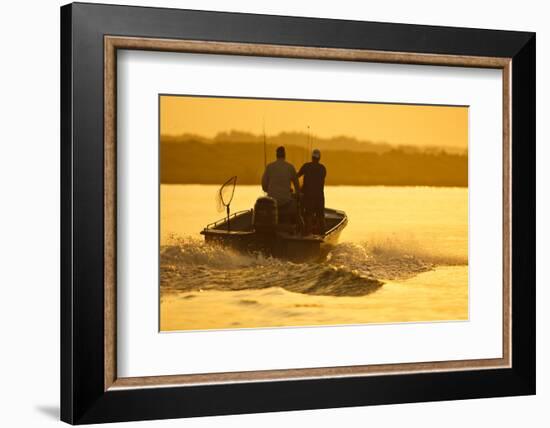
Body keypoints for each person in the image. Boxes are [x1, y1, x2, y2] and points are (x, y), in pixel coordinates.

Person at [261, 146, 300, 222]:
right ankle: (296, 226)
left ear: (276, 155)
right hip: (286, 202)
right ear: (285, 155)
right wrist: (297, 194)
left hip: (271, 202)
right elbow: (297, 185)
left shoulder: (269, 167)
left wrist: (268, 190)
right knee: (296, 205)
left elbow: (263, 185)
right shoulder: (290, 167)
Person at [298, 148, 326, 234]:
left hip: (308, 197)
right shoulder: (323, 168)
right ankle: (322, 235)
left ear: (312, 157)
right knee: (320, 217)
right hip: (319, 197)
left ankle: (308, 234)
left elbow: (297, 175)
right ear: (319, 158)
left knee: (308, 216)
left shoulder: (306, 166)